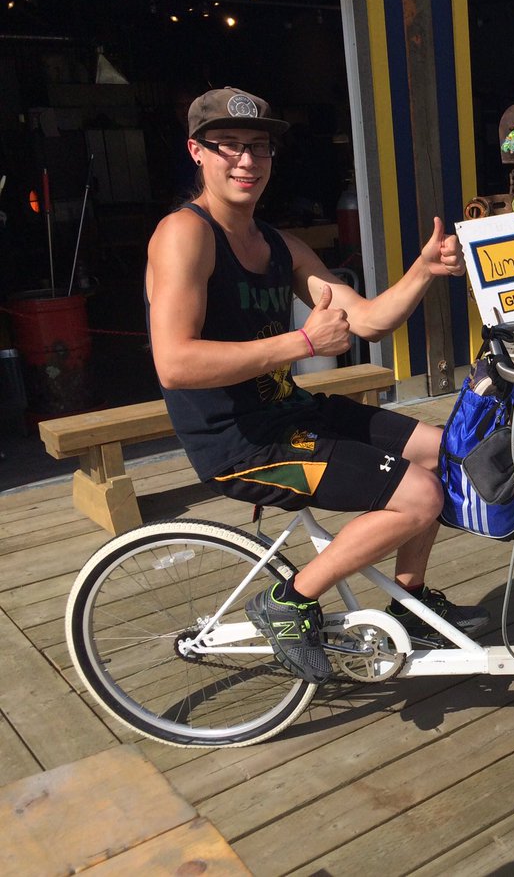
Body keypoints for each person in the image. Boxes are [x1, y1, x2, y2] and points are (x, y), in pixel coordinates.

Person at [145, 86, 487, 684]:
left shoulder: (279, 244)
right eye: (229, 146)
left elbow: (370, 319)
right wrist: (303, 344)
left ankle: (412, 603)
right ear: (197, 152)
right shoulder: (185, 234)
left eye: (259, 147)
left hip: (292, 413)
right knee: (419, 496)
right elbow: (174, 363)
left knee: (444, 451)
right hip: (239, 444)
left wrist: (423, 270)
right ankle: (290, 600)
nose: (246, 161)